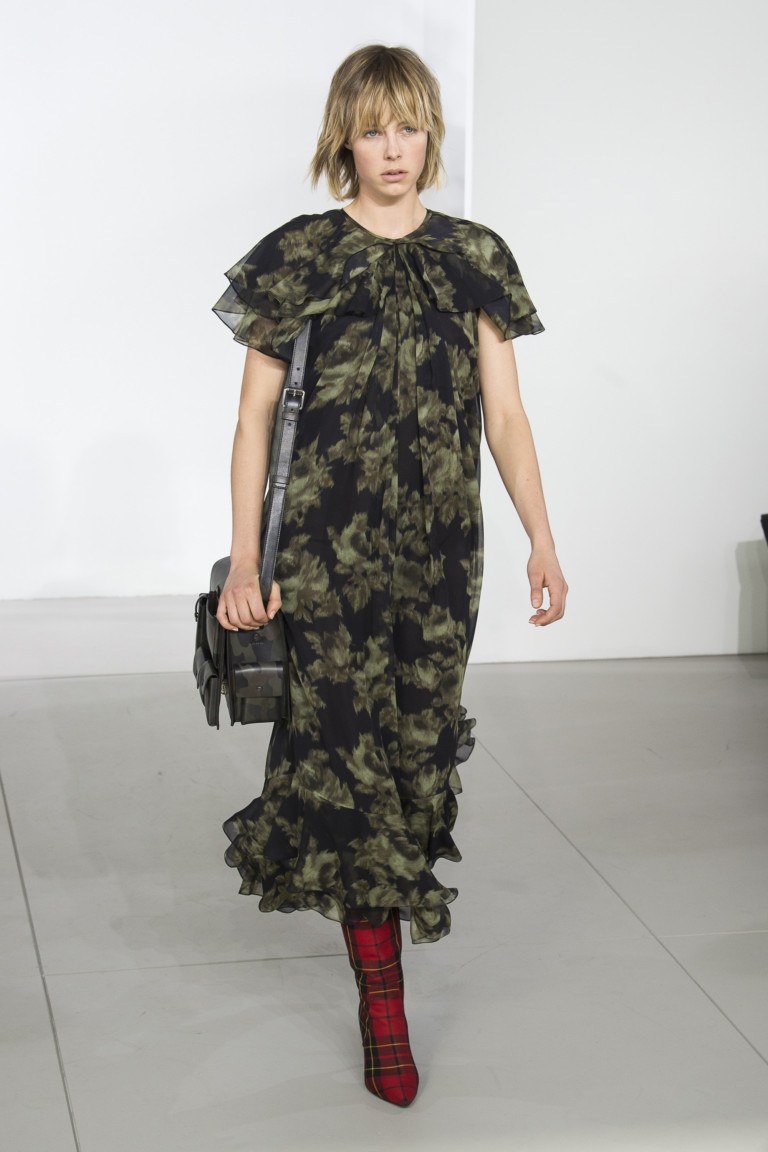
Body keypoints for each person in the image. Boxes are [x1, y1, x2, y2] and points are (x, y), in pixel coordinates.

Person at [211, 43, 567, 1108]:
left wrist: (543, 539)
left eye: (408, 126)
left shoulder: (475, 257)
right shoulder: (301, 255)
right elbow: (254, 418)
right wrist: (245, 554)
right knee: (346, 763)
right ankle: (383, 1004)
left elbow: (506, 416)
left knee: (413, 757)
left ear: (430, 135)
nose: (394, 148)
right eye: (373, 130)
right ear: (345, 141)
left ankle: (381, 964)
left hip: (440, 559)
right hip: (321, 563)